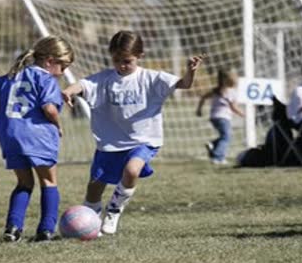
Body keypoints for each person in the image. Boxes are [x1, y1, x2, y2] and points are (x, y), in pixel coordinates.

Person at [61, 30, 204, 235]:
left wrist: (191, 71)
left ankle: (114, 209)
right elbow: (82, 84)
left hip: (143, 140)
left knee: (132, 171)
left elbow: (184, 84)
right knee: (94, 188)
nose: (121, 65)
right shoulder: (104, 79)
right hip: (110, 143)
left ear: (140, 56)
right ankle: (89, 222)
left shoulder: (151, 78)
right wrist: (68, 92)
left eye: (127, 60)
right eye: (117, 60)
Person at [0, 36, 74, 242]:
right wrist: (58, 125)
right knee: (48, 181)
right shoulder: (46, 80)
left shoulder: (12, 76)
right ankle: (46, 230)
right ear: (49, 61)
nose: (63, 73)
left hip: (11, 137)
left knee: (24, 183)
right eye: (63, 66)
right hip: (38, 137)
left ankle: (12, 229)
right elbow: (49, 108)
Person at [195, 68, 244, 165]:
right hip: (223, 118)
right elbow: (233, 107)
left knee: (225, 136)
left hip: (214, 118)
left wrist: (199, 109)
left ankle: (212, 145)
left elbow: (203, 97)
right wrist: (242, 113)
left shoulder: (216, 90)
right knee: (226, 137)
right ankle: (217, 157)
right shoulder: (231, 92)